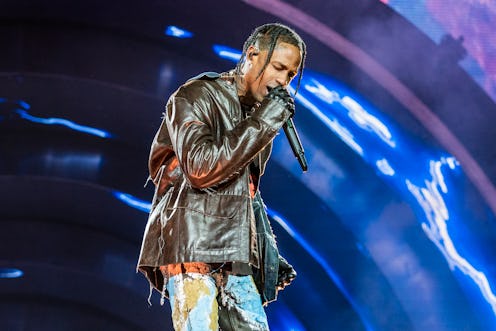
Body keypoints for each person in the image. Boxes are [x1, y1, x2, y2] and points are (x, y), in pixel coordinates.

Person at [137, 22, 307, 331]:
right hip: (193, 246)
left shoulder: (257, 117)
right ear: (252, 54)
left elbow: (248, 193)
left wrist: (267, 249)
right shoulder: (196, 95)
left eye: (290, 75)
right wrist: (263, 121)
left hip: (236, 255)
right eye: (279, 68)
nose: (282, 81)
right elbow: (201, 169)